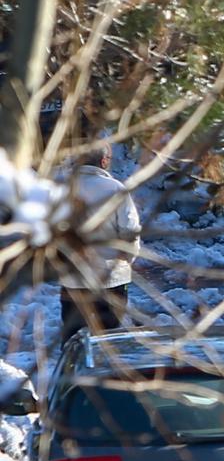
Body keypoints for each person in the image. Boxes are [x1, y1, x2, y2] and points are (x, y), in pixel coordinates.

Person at [59, 142, 142, 344]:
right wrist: (127, 259)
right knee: (108, 339)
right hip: (110, 277)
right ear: (104, 161)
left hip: (72, 276)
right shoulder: (116, 189)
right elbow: (130, 230)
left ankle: (71, 371)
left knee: (74, 338)